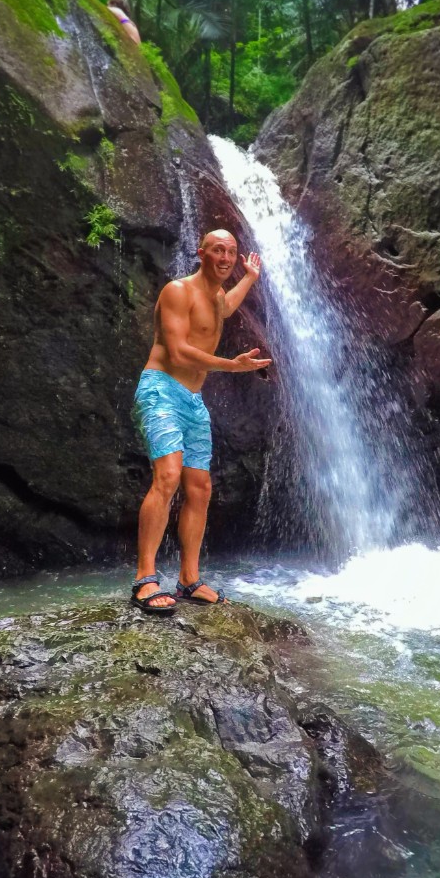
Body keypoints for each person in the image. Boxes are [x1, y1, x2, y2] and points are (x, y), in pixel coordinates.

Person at [129, 229, 269, 613]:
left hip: (192, 401)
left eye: (231, 252)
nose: (225, 257)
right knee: (168, 476)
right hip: (160, 390)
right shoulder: (178, 291)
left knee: (200, 487)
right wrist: (232, 366)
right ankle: (145, 577)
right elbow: (177, 350)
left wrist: (249, 279)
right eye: (218, 250)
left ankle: (189, 579)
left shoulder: (217, 295)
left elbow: (223, 310)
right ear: (201, 252)